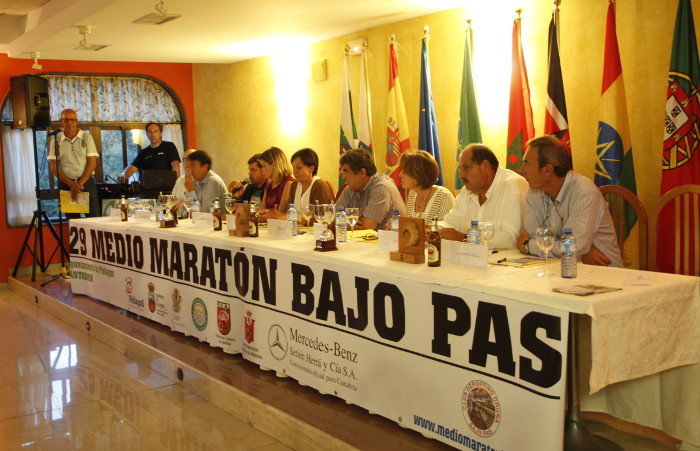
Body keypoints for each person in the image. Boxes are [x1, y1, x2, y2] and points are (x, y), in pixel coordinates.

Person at [516, 135, 623, 267]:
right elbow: (532, 235)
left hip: (603, 273)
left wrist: (527, 246)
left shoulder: (583, 191)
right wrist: (581, 251)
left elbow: (574, 247)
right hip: (561, 268)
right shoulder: (534, 191)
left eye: (527, 164)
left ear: (548, 170)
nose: (522, 170)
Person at [439, 144, 528, 249]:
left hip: (505, 263)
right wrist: (433, 230)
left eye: (466, 168)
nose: (461, 175)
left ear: (485, 166)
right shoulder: (467, 190)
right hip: (470, 259)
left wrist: (466, 238)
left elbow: (512, 238)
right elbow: (450, 223)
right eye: (460, 169)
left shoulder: (512, 185)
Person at [336, 148, 406, 230]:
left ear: (362, 172)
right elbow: (333, 218)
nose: (343, 177)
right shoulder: (350, 188)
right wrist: (347, 224)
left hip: (388, 241)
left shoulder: (382, 187)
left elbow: (367, 227)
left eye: (346, 171)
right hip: (364, 241)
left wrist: (344, 223)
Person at [48, 108, 100, 217]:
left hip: (86, 183)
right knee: (72, 222)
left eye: (72, 119)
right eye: (66, 120)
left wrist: (79, 185)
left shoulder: (87, 137)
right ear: (60, 121)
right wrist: (72, 185)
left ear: (77, 121)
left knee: (93, 220)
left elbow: (92, 164)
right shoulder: (56, 140)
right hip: (67, 184)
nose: (70, 123)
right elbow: (54, 168)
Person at [283, 148, 335, 224]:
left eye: (299, 167)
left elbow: (322, 217)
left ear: (311, 168)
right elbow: (290, 212)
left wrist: (299, 219)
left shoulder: (319, 185)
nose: (294, 171)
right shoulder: (294, 185)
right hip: (297, 231)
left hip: (316, 232)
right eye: (293, 167)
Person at [399, 150, 455, 221]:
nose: (400, 175)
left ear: (417, 175)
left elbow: (445, 230)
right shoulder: (412, 194)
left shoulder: (443, 196)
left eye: (405, 172)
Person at [258, 147, 294, 220]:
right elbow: (261, 212)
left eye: (263, 166)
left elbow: (279, 214)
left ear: (274, 165)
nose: (262, 170)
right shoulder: (269, 184)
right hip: (268, 225)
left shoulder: (288, 183)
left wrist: (268, 213)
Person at [172, 148, 196, 213]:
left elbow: (204, 209)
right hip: (182, 219)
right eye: (185, 160)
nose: (187, 163)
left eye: (191, 160)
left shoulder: (204, 180)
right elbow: (172, 201)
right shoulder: (180, 180)